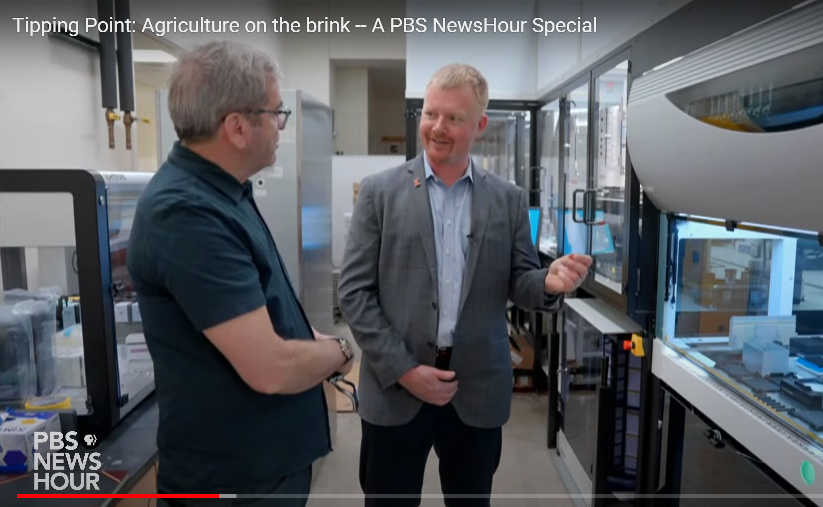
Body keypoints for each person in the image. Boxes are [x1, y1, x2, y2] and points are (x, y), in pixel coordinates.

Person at [337, 63, 593, 507]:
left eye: (453, 118)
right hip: (397, 389)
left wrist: (549, 283)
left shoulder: (507, 199)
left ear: (479, 124)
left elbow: (521, 281)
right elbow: (355, 294)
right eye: (430, 114)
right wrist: (404, 370)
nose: (438, 127)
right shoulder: (379, 194)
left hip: (475, 388)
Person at [126, 40, 354, 506]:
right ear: (236, 127)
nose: (279, 126)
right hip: (233, 478)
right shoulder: (187, 214)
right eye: (275, 114)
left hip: (264, 467)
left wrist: (310, 338)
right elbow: (270, 368)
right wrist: (340, 351)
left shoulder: (226, 193)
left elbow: (267, 311)